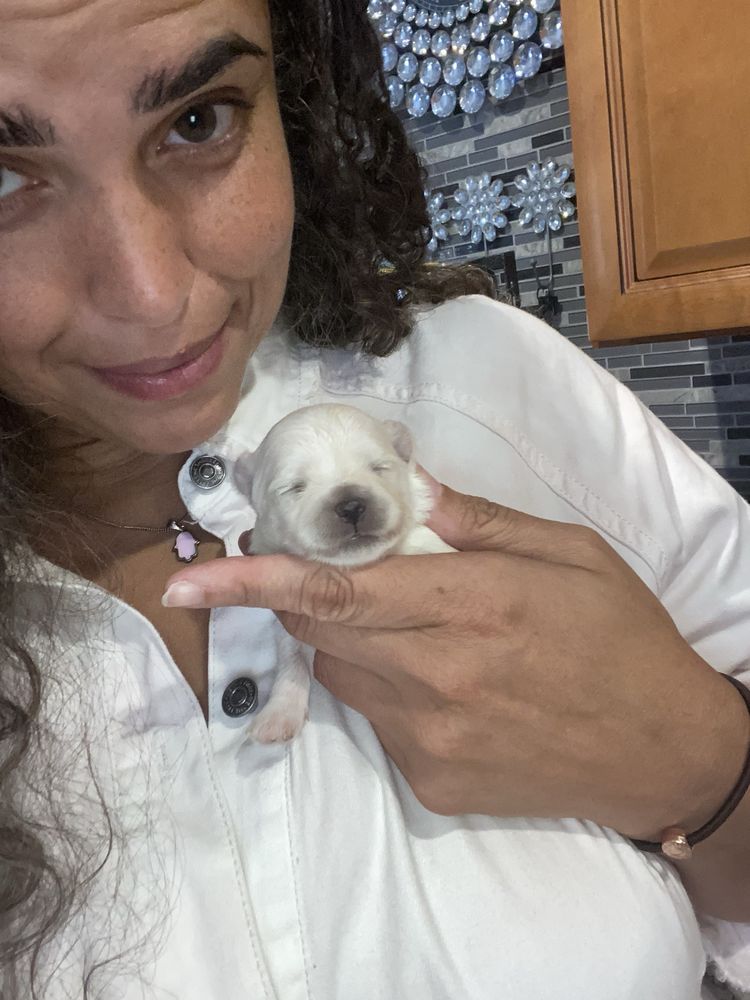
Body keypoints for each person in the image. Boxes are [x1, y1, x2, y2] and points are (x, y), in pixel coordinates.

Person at [1, 1, 748, 998]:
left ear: (295, 95)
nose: (150, 294)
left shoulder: (491, 386)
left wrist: (699, 760)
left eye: (198, 120)